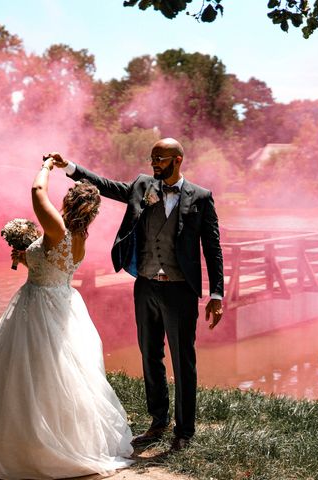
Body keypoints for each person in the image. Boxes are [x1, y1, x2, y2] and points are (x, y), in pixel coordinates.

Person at [0, 156, 133, 479]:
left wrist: (46, 167)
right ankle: (56, 439)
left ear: (67, 203)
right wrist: (28, 257)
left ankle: (23, 447)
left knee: (24, 373)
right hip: (63, 304)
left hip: (38, 306)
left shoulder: (56, 229)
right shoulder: (79, 239)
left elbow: (35, 190)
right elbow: (51, 267)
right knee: (56, 374)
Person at [49, 137, 224, 451]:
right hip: (144, 286)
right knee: (150, 355)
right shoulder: (143, 186)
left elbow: (213, 249)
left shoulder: (201, 198)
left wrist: (217, 294)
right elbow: (104, 185)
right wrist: (70, 167)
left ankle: (184, 432)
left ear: (178, 159)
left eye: (160, 157)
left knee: (183, 361)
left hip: (180, 291)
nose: (154, 162)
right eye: (152, 156)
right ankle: (158, 422)